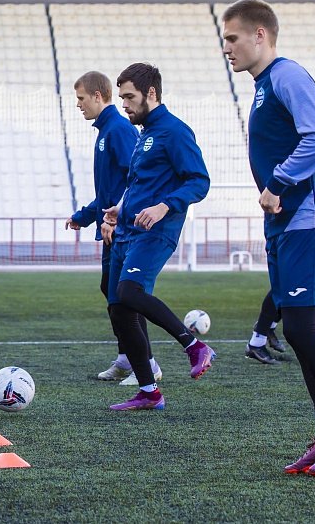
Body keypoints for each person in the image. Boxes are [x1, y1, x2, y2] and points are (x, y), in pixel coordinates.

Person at [222, 0, 315, 476]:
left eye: (233, 38)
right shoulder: (265, 86)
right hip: (288, 223)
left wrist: (279, 182)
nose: (227, 48)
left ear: (260, 35)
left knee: (302, 328)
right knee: (294, 328)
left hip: (310, 218)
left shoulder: (287, 76)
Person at [100, 62, 214, 412]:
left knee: (130, 291)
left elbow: (199, 181)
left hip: (156, 231)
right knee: (118, 307)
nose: (125, 105)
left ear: (151, 93)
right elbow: (139, 183)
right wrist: (120, 208)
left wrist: (165, 206)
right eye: (121, 98)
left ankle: (194, 345)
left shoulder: (175, 131)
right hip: (128, 231)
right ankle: (149, 392)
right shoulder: (145, 133)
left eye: (130, 97)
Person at [65, 71, 161, 386]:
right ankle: (126, 357)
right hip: (111, 227)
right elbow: (110, 191)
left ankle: (146, 363)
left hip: (124, 229)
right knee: (112, 291)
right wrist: (85, 215)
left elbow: (136, 179)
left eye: (81, 98)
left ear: (97, 96)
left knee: (127, 294)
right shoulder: (106, 131)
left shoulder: (118, 130)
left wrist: (114, 217)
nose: (78, 105)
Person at [244, 97, 315, 365]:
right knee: (293, 294)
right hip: (301, 224)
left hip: (296, 222)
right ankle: (264, 334)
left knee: (292, 291)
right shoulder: (312, 142)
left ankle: (264, 335)